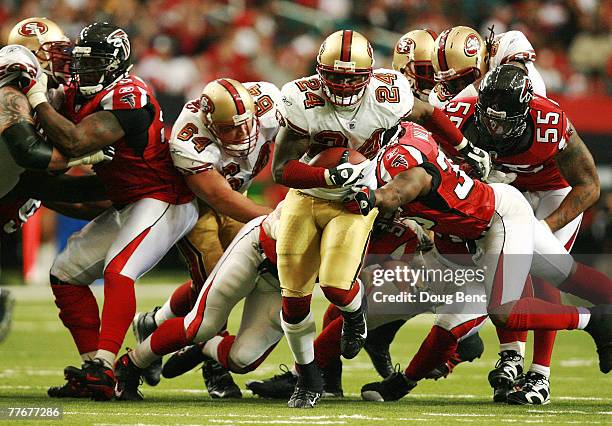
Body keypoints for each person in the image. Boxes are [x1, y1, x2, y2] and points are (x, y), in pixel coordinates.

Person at [345, 120, 612, 402]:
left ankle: (594, 320)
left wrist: (374, 196)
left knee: (514, 303)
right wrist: (462, 145)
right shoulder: (407, 136)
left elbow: (408, 184)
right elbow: (424, 110)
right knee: (450, 324)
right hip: (473, 245)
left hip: (499, 218)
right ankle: (404, 382)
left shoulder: (404, 165)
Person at [20, 22, 198, 401]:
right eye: (80, 62)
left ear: (117, 63)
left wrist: (35, 97)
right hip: (127, 199)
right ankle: (94, 370)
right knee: (65, 273)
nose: (84, 70)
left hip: (163, 197)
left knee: (119, 271)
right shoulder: (74, 92)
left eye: (95, 61)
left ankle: (106, 364)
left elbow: (73, 140)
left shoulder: (129, 95)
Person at [444, 64, 600, 404]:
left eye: (506, 121)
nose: (497, 128)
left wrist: (542, 230)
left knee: (544, 270)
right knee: (498, 268)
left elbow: (588, 186)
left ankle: (540, 376)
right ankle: (511, 356)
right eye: (491, 118)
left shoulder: (549, 121)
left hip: (552, 193)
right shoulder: (457, 114)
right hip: (507, 196)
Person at [132, 78, 283, 396]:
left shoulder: (271, 103)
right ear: (210, 123)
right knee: (214, 278)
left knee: (239, 276)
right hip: (192, 204)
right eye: (229, 129)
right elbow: (219, 198)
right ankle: (215, 371)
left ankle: (155, 321)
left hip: (235, 194)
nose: (241, 134)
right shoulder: (189, 137)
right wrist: (280, 220)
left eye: (245, 125)